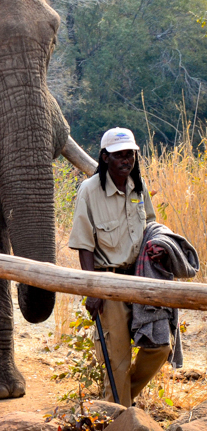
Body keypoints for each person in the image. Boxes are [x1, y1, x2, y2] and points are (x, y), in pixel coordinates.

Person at [69, 126, 170, 406]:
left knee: (160, 347)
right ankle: (118, 422)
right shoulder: (89, 191)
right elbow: (83, 244)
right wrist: (93, 290)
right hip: (109, 283)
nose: (127, 160)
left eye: (131, 155)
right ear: (104, 157)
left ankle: (115, 403)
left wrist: (161, 247)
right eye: (119, 156)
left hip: (140, 279)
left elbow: (150, 225)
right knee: (118, 361)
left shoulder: (138, 186)